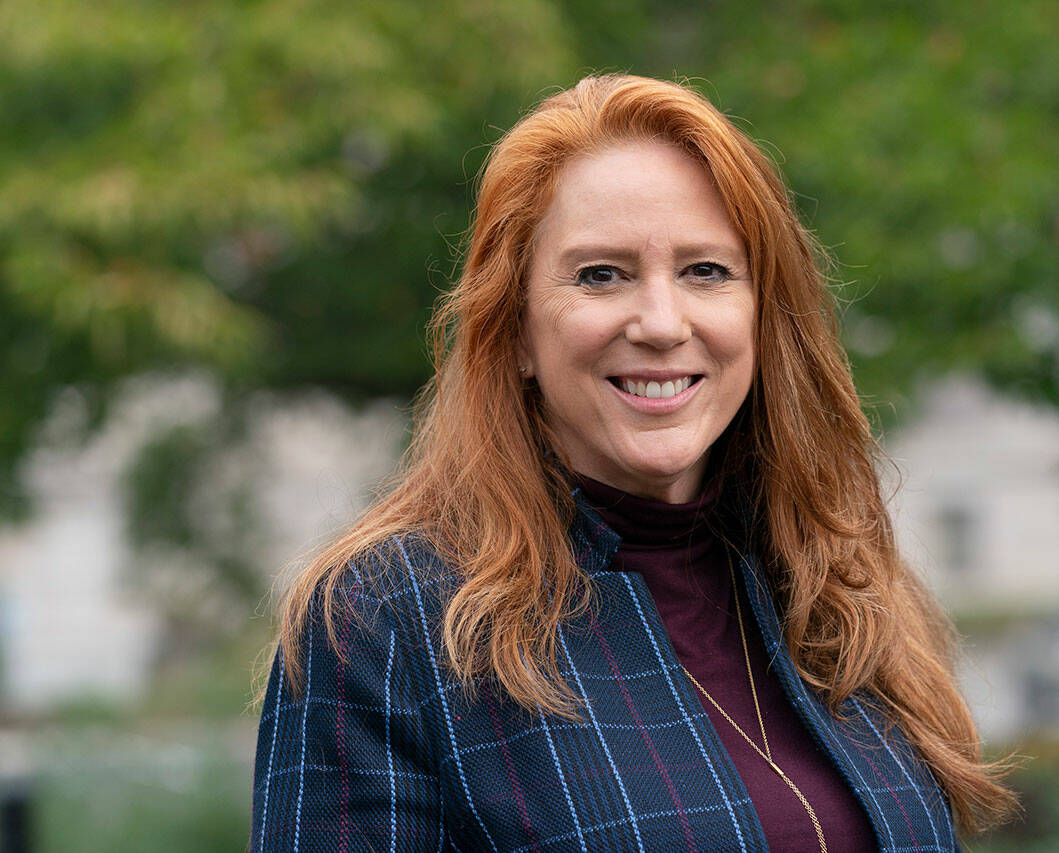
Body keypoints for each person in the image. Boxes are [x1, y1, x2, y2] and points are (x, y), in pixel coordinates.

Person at [250, 74, 1015, 852]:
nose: (660, 322)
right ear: (515, 328)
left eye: (705, 270)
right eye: (600, 275)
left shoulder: (839, 581)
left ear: (763, 313)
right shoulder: (386, 616)